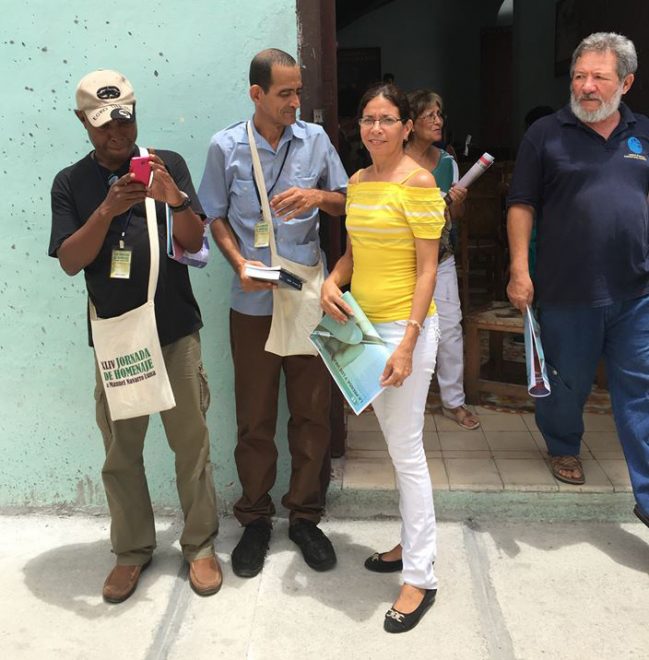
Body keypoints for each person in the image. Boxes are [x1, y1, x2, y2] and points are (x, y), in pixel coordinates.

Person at [49, 70, 221, 603]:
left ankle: (199, 546)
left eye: (124, 117)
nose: (117, 132)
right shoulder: (71, 183)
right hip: (118, 340)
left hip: (174, 331)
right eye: (103, 123)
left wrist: (174, 199)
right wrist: (107, 209)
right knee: (122, 451)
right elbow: (71, 262)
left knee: (190, 443)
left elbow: (194, 242)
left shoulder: (167, 162)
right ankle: (131, 552)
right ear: (84, 122)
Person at [198, 49, 347, 578]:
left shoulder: (316, 140)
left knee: (311, 410)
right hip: (253, 299)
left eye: (298, 91)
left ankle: (305, 516)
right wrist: (237, 261)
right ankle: (256, 519)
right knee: (255, 416)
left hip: (307, 293)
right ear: (256, 94)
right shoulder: (226, 146)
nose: (295, 102)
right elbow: (212, 215)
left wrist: (317, 197)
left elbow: (347, 199)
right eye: (284, 93)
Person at [506, 32, 649, 523]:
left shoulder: (643, 135)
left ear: (625, 82)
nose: (586, 86)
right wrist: (519, 270)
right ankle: (563, 445)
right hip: (567, 291)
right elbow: (521, 204)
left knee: (641, 394)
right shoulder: (545, 134)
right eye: (579, 76)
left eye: (598, 77)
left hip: (637, 293)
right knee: (567, 385)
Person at [321, 83, 446, 633]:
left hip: (404, 332)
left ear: (405, 127)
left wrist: (409, 340)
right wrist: (332, 280)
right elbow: (354, 253)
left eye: (388, 119)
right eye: (368, 118)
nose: (376, 128)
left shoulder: (419, 183)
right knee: (397, 449)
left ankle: (421, 575)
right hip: (364, 330)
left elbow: (427, 270)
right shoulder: (358, 182)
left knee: (407, 449)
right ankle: (409, 544)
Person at [405, 89, 479, 430]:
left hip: (441, 256)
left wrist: (458, 201)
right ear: (410, 123)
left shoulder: (448, 163)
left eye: (440, 114)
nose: (438, 121)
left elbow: (456, 215)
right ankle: (404, 401)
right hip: (402, 261)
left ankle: (454, 401)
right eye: (429, 115)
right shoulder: (394, 161)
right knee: (404, 329)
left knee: (449, 328)